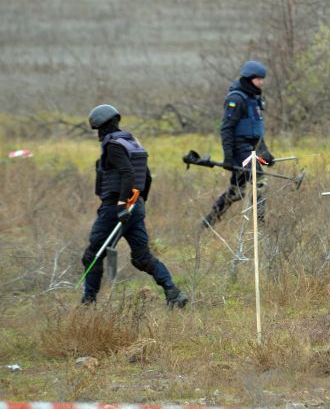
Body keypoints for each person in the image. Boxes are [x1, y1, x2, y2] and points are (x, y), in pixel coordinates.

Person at [81, 104, 188, 308]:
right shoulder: (132, 142)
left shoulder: (112, 145)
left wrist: (122, 204)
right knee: (141, 257)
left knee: (92, 256)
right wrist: (138, 203)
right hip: (135, 207)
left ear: (101, 126)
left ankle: (88, 304)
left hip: (115, 208)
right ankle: (173, 292)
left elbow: (128, 173)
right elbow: (146, 177)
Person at [203, 60, 274, 226]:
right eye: (258, 79)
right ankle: (261, 226)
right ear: (249, 78)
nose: (261, 82)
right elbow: (226, 129)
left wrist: (265, 154)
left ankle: (207, 224)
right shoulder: (236, 99)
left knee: (237, 191)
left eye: (262, 79)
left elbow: (256, 131)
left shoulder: (254, 99)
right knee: (260, 181)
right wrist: (228, 156)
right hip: (239, 149)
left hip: (251, 149)